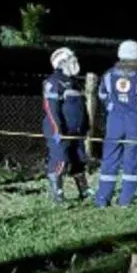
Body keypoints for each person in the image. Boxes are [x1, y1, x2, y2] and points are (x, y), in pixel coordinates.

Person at [95, 40, 137, 207]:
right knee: (132, 159)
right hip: (134, 122)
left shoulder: (108, 75)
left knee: (109, 159)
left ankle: (102, 199)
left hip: (114, 120)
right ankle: (125, 200)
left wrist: (111, 104)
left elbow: (101, 95)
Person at [42, 47, 91, 203]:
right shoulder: (53, 82)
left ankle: (84, 191)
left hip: (76, 131)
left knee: (79, 160)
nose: (75, 62)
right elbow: (51, 108)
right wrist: (57, 129)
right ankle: (58, 195)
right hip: (60, 131)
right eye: (71, 59)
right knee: (60, 160)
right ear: (62, 62)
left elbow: (82, 108)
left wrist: (86, 126)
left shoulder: (75, 83)